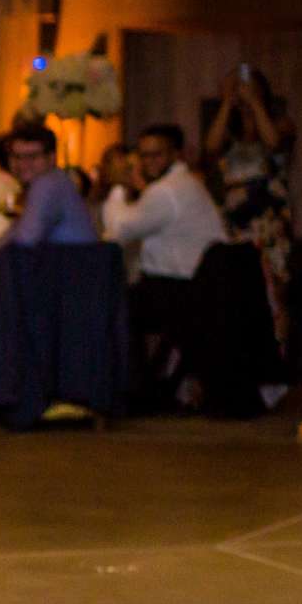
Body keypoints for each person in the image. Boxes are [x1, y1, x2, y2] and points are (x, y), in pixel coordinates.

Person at [107, 123, 227, 407]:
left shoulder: (166, 191)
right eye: (144, 155)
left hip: (181, 289)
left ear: (176, 155)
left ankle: (134, 390)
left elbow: (121, 230)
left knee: (115, 305)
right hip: (195, 285)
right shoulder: (180, 184)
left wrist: (116, 188)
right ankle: (148, 384)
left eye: (156, 155)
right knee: (127, 300)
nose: (149, 162)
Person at [203, 65, 298, 349]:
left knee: (275, 289)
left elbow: (274, 143)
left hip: (269, 220)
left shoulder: (280, 122)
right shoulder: (228, 131)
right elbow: (211, 148)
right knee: (240, 290)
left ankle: (279, 352)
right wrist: (227, 104)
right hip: (236, 222)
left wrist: (255, 104)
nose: (240, 91)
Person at [0, 122, 96, 252]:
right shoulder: (57, 179)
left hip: (73, 267)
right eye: (17, 157)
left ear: (52, 158)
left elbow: (25, 239)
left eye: (32, 157)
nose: (23, 164)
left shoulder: (47, 183)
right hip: (72, 264)